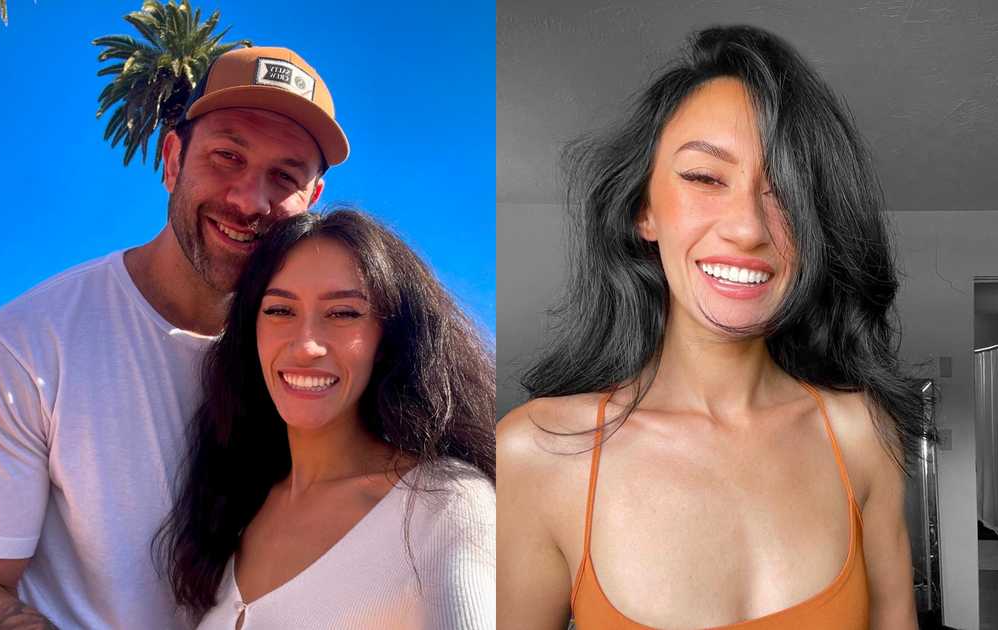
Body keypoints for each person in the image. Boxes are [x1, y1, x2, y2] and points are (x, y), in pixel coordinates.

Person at [497, 25, 928, 630]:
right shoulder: (536, 453)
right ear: (643, 209)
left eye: (787, 192)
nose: (748, 227)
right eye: (704, 178)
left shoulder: (862, 435)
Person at [0, 46, 346, 628]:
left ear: (311, 201)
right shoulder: (28, 345)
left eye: (284, 176)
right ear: (173, 158)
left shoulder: (323, 367)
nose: (249, 200)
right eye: (227, 155)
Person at [155, 209, 496, 628]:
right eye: (280, 310)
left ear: (388, 337)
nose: (306, 345)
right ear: (251, 332)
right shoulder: (236, 507)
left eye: (343, 313)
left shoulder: (444, 502)